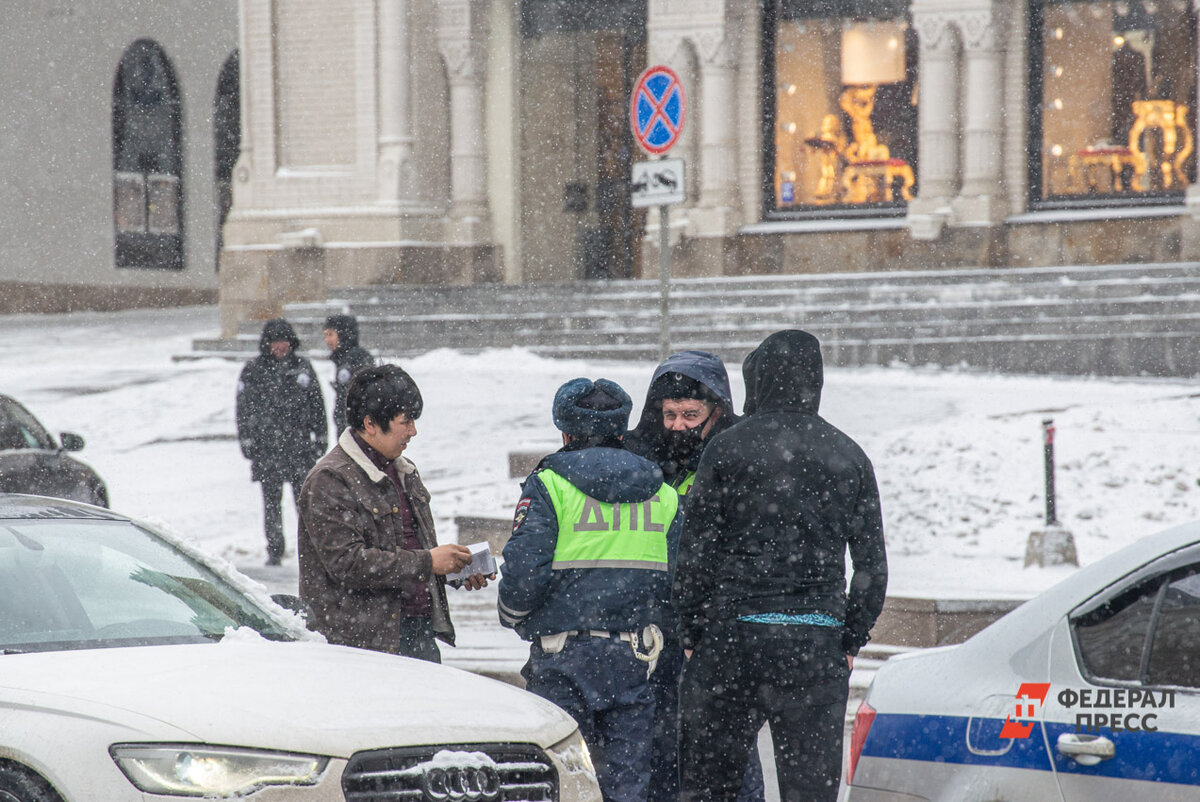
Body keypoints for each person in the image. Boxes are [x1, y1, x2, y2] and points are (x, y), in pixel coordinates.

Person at [673, 330, 888, 802]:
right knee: (809, 789)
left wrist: (691, 632)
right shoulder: (848, 455)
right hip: (814, 645)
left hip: (732, 640)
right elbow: (872, 568)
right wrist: (848, 639)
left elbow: (695, 554)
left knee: (710, 787)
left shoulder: (727, 448)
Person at [498, 378, 680, 802]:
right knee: (627, 785)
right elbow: (678, 583)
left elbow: (524, 572)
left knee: (559, 781)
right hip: (636, 659)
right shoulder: (665, 495)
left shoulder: (549, 485)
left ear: (565, 431)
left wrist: (512, 615)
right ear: (621, 430)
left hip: (563, 660)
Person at [625, 351, 763, 802]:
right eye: (669, 414)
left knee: (727, 755)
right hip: (658, 633)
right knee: (661, 755)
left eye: (690, 414)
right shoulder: (640, 466)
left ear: (717, 411)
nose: (678, 425)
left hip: (717, 633)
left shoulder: (740, 461)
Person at [297, 364, 486, 661]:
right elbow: (347, 564)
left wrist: (451, 567)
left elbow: (407, 548)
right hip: (363, 645)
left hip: (418, 632)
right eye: (405, 421)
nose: (413, 431)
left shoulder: (403, 470)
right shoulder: (330, 479)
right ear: (370, 423)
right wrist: (428, 563)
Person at [236, 318, 327, 565]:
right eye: (275, 342)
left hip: (299, 448)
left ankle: (311, 550)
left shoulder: (303, 368)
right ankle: (274, 550)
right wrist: (246, 440)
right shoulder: (253, 371)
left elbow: (317, 404)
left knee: (305, 503)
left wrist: (321, 437)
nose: (280, 347)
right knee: (271, 503)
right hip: (267, 451)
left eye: (284, 342)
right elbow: (243, 409)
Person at [324, 313, 376, 437]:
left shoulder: (357, 358)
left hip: (358, 433)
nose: (327, 340)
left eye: (331, 334)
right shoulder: (343, 358)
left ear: (343, 335)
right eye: (325, 335)